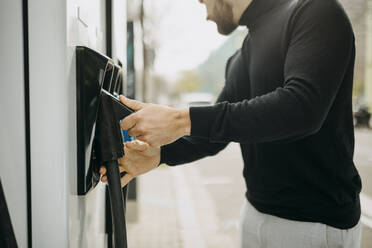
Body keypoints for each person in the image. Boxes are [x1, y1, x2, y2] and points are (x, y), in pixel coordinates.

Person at [100, 0, 363, 247]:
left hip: (315, 226)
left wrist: (181, 119)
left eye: (203, 0)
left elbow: (301, 109)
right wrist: (159, 155)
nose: (204, 10)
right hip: (254, 214)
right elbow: (213, 135)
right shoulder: (242, 54)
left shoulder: (315, 11)